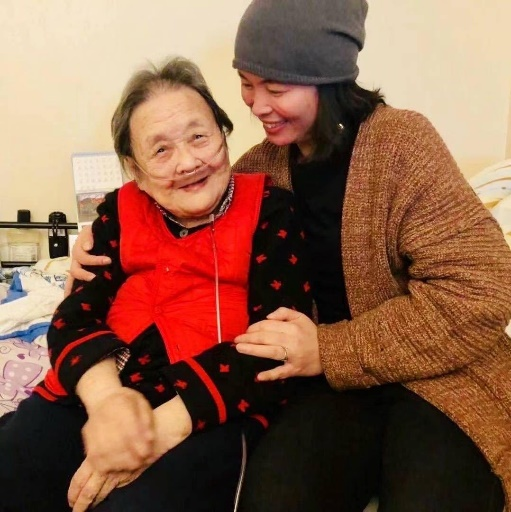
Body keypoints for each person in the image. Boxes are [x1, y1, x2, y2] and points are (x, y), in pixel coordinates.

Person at [68, 0, 511, 511]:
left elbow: (483, 292)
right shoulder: (259, 169)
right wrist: (97, 243)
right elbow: (178, 209)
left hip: (440, 377)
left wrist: (330, 349)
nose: (257, 105)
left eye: (276, 89)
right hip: (324, 391)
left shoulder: (401, 144)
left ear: (329, 79)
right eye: (246, 83)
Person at [0, 56, 313, 512]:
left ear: (224, 135)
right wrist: (109, 405)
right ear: (135, 170)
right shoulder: (117, 211)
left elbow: (278, 345)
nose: (187, 162)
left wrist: (156, 430)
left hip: (208, 406)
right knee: (12, 466)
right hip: (97, 389)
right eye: (161, 150)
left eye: (199, 137)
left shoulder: (271, 209)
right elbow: (73, 317)